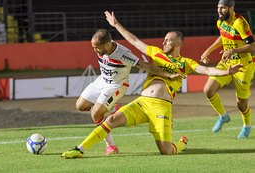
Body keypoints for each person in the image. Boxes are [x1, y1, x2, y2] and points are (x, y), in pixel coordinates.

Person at [61, 11, 243, 158]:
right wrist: (116, 25)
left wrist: (226, 72)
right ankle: (80, 149)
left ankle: (181, 143)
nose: (164, 42)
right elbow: (134, 41)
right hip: (142, 102)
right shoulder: (156, 53)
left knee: (165, 150)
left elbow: (207, 70)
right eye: (164, 40)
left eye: (168, 40)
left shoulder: (186, 63)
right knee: (111, 120)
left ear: (178, 42)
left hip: (162, 108)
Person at [75, 29, 182, 155]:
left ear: (108, 44)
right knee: (80, 106)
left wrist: (167, 74)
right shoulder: (103, 43)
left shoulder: (123, 54)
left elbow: (145, 66)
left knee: (96, 113)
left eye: (97, 48)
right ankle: (111, 108)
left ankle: (110, 146)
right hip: (102, 81)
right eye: (93, 47)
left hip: (116, 85)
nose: (95, 50)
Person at [200, 0, 255, 139]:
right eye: (218, 8)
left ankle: (247, 126)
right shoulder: (221, 22)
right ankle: (223, 116)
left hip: (244, 65)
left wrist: (233, 50)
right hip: (226, 63)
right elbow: (223, 37)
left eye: (223, 8)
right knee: (208, 90)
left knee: (241, 103)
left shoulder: (240, 23)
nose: (219, 11)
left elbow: (252, 46)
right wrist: (208, 50)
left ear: (231, 8)